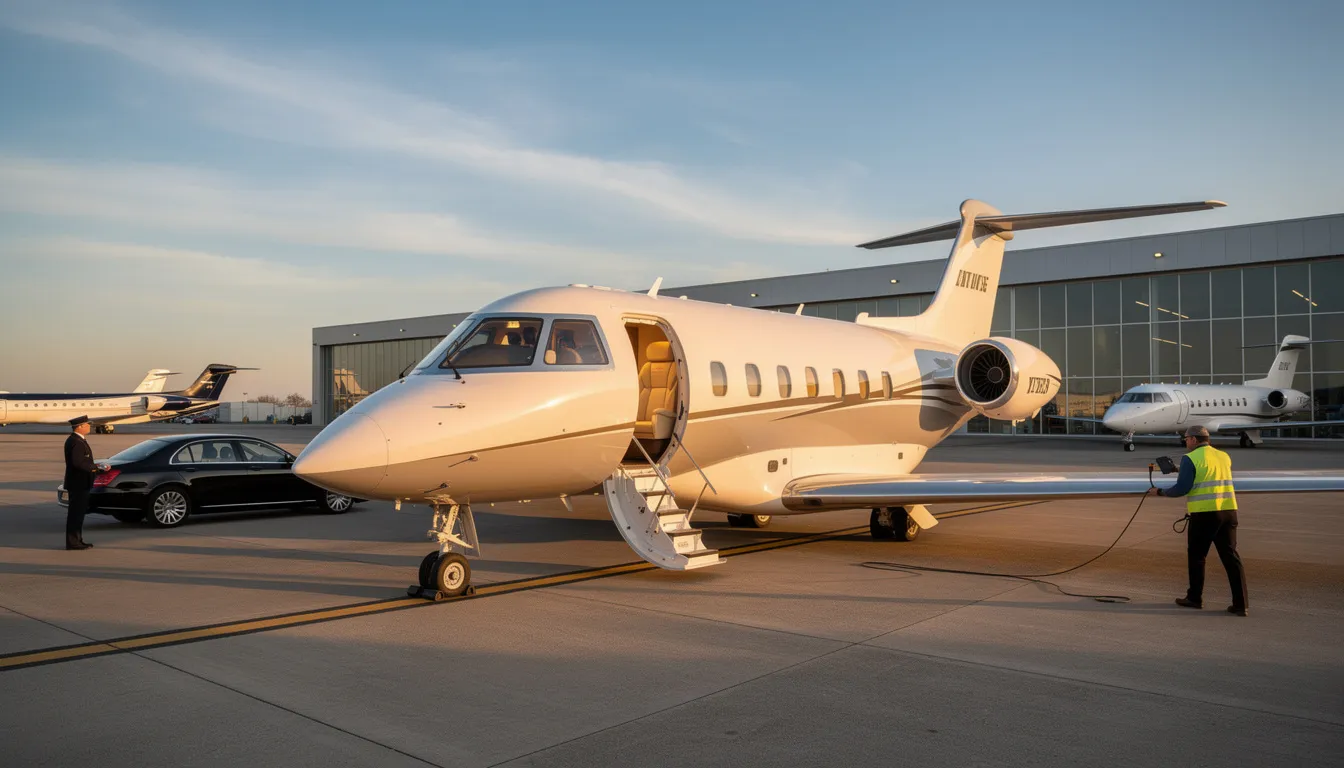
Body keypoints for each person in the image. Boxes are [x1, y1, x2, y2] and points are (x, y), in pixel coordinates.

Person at [1149, 425, 1248, 616]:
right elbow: (1209, 474)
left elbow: (1182, 489)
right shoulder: (1223, 456)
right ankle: (1241, 604)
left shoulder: (1190, 458)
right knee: (1231, 557)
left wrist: (1159, 491)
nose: (1185, 442)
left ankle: (1195, 598)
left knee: (1197, 557)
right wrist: (1180, 470)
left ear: (1194, 440)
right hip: (1228, 511)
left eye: (1186, 439)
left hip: (1204, 515)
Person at [63, 416, 108, 550]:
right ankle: (73, 542)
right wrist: (96, 468)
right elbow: (78, 463)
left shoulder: (77, 440)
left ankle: (77, 540)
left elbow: (83, 462)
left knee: (78, 514)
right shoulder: (76, 442)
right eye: (87, 424)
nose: (89, 426)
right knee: (75, 514)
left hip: (80, 483)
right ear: (80, 426)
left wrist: (97, 466)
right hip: (78, 483)